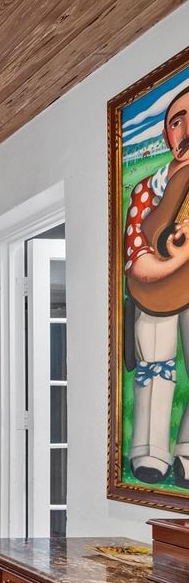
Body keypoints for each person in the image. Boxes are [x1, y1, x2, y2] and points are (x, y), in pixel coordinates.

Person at [125, 85, 189, 484]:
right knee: (155, 360)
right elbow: (138, 258)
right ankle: (150, 451)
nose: (186, 130)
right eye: (177, 121)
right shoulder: (147, 190)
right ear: (167, 134)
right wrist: (177, 258)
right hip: (159, 292)